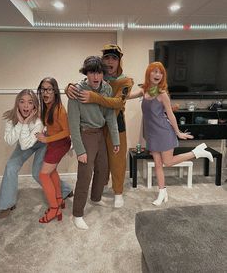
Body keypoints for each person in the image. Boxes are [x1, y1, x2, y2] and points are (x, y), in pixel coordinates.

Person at [128, 61, 214, 205]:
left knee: (167, 162)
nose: (157, 74)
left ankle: (197, 152)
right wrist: (122, 87)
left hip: (163, 132)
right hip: (151, 134)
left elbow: (171, 115)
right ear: (148, 73)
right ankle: (162, 192)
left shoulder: (162, 94)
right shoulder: (145, 90)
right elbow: (127, 96)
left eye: (160, 72)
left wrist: (178, 132)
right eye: (154, 71)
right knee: (157, 164)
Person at [66, 44, 133, 208]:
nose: (110, 61)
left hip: (115, 123)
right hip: (95, 126)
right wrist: (69, 87)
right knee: (98, 164)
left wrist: (94, 97)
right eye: (107, 58)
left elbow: (118, 102)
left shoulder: (125, 81)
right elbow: (82, 84)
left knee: (117, 160)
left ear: (119, 62)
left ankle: (118, 192)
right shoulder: (96, 78)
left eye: (114, 58)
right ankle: (98, 192)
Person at [68, 56, 120, 230]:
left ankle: (96, 198)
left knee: (103, 169)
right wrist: (79, 149)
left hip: (100, 134)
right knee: (85, 175)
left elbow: (110, 116)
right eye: (92, 72)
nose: (96, 77)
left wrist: (115, 139)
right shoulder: (76, 91)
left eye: (98, 72)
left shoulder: (106, 88)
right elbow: (73, 124)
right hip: (85, 135)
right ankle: (77, 213)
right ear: (86, 74)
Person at [36, 78, 71, 223]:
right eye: (43, 89)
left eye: (49, 89)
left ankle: (54, 208)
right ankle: (59, 200)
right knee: (52, 172)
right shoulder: (47, 106)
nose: (46, 92)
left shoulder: (58, 109)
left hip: (60, 143)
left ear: (55, 91)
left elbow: (67, 131)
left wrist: (46, 139)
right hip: (54, 142)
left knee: (43, 175)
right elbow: (52, 127)